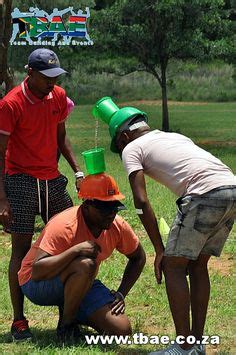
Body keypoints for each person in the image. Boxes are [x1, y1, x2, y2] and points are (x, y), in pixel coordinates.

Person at [93, 98, 236, 355]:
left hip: (204, 193)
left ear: (124, 136)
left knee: (173, 265)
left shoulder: (131, 148)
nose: (121, 148)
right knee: (198, 265)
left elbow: (140, 200)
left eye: (119, 143)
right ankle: (196, 345)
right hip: (230, 189)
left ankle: (183, 346)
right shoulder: (174, 136)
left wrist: (160, 249)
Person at [0, 48, 84, 341]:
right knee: (21, 251)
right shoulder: (11, 104)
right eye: (46, 77)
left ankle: (67, 317)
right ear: (30, 73)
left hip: (51, 180)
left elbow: (61, 137)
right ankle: (19, 320)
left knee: (69, 243)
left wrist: (77, 171)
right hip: (20, 180)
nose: (52, 82)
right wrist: (1, 199)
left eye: (55, 77)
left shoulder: (58, 97)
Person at [18, 172, 146, 343]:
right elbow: (37, 271)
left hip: (81, 280)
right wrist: (75, 250)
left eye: (114, 208)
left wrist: (121, 293)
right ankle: (67, 327)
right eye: (104, 209)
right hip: (36, 285)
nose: (110, 214)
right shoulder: (64, 225)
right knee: (85, 264)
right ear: (86, 206)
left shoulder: (117, 226)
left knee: (121, 331)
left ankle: (75, 309)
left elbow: (138, 257)